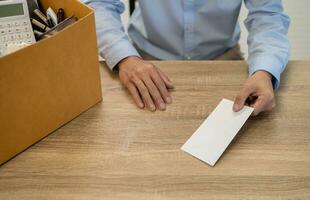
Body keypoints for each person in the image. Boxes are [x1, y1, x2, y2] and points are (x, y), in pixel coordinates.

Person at [83, 0, 290, 116]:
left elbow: (267, 16)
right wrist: (124, 57)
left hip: (224, 59)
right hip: (142, 59)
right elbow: (99, 4)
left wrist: (265, 70)